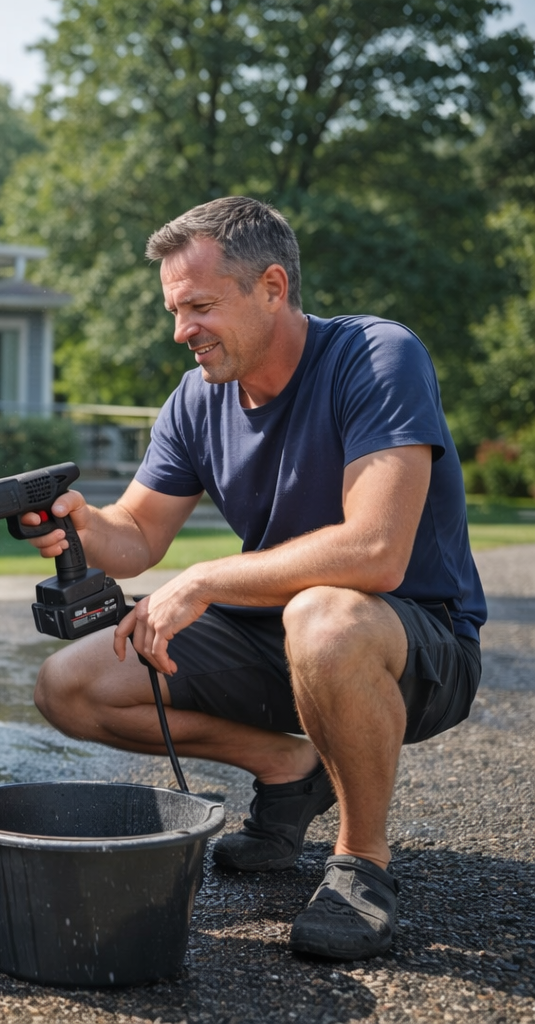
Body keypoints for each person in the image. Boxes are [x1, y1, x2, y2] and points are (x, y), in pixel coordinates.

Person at [24, 196, 484, 961]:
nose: (182, 331)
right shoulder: (196, 399)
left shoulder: (376, 358)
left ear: (272, 287)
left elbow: (377, 552)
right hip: (279, 636)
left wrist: (204, 579)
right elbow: (136, 535)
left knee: (324, 618)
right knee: (71, 682)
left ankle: (363, 865)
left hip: (410, 643)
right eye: (175, 311)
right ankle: (289, 767)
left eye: (200, 306)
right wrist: (79, 523)